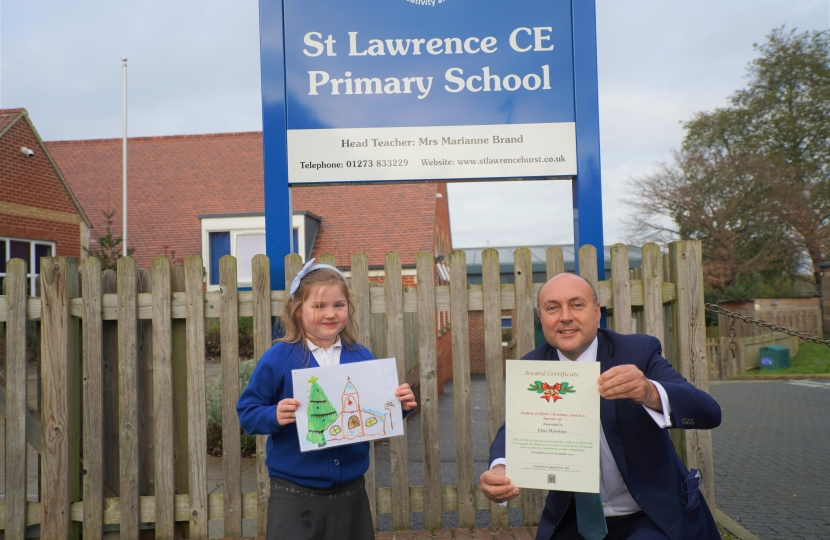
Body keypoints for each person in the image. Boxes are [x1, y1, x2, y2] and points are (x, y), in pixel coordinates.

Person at [480, 273, 721, 540]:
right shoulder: (533, 368)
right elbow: (515, 426)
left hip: (650, 514)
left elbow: (709, 412)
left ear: (597, 312)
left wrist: (649, 391)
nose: (565, 317)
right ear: (541, 318)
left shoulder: (637, 352)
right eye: (552, 308)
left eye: (577, 305)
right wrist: (500, 467)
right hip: (575, 517)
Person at [237, 259, 417, 540]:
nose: (330, 313)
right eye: (319, 306)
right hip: (294, 493)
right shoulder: (278, 358)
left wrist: (399, 407)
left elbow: (374, 414)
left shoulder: (361, 356)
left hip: (351, 491)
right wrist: (273, 415)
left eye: (339, 305)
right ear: (297, 311)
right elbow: (247, 412)